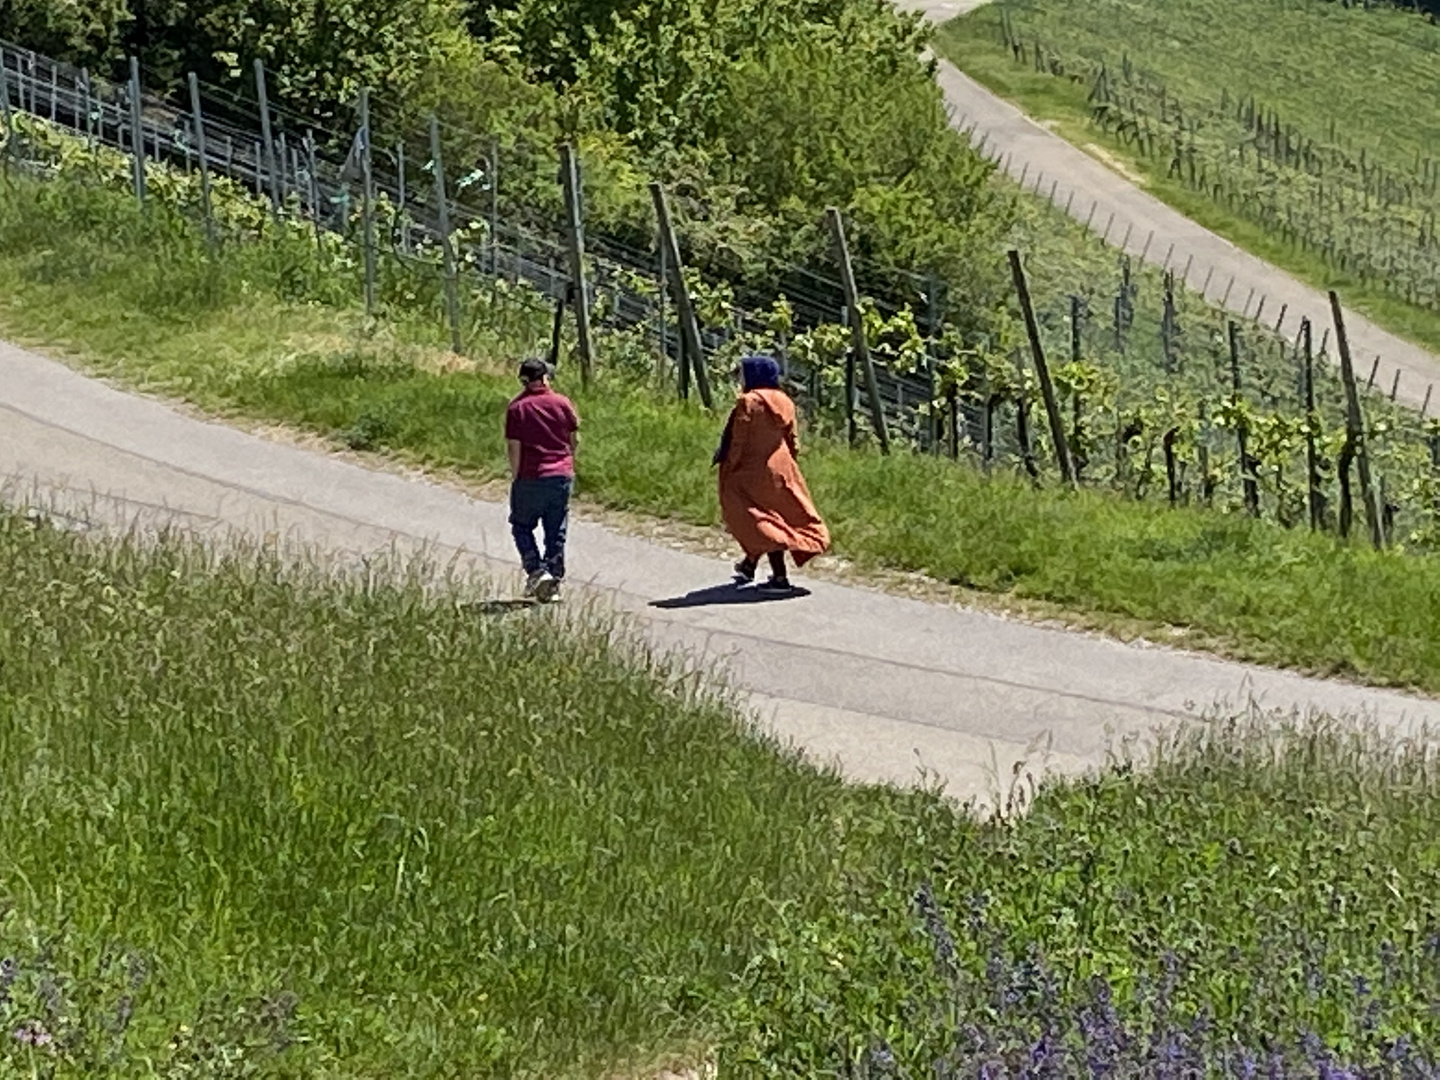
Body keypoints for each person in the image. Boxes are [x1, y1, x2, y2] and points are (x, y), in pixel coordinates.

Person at [713, 354, 830, 592]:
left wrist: (730, 465)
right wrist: (789, 465)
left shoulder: (749, 401)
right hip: (781, 466)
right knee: (775, 515)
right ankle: (749, 565)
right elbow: (793, 440)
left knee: (758, 519)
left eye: (744, 374)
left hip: (751, 468)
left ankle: (780, 578)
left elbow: (739, 439)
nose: (741, 379)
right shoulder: (785, 402)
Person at [505, 357, 579, 602]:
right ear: (545, 377)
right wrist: (569, 466)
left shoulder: (517, 408)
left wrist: (517, 477)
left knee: (522, 526)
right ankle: (554, 580)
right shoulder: (562, 403)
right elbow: (573, 440)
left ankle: (536, 571)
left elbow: (514, 448)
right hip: (561, 474)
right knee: (555, 530)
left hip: (531, 474)